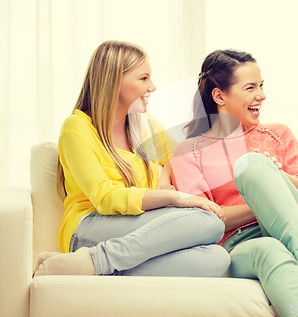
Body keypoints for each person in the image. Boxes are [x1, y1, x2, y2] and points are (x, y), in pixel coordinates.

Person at [34, 40, 230, 277]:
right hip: (89, 226)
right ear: (114, 81)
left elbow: (182, 156)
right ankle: (97, 259)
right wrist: (174, 197)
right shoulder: (77, 128)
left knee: (217, 259)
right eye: (143, 78)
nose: (153, 87)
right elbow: (106, 198)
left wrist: (165, 175)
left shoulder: (144, 127)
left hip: (137, 227)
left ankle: (94, 265)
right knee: (209, 221)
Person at [170, 49, 298, 316]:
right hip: (239, 245)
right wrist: (263, 201)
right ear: (219, 96)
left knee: (253, 166)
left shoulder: (277, 134)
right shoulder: (188, 152)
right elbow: (203, 223)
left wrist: (274, 178)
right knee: (271, 249)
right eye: (250, 87)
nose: (261, 95)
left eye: (262, 86)